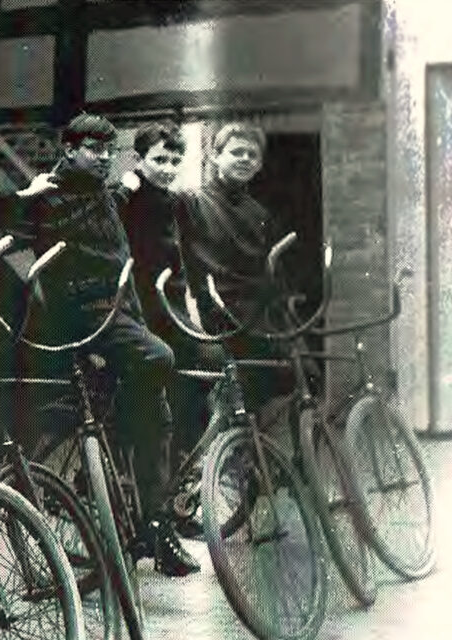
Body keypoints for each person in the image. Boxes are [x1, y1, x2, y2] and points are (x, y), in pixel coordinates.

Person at [15, 112, 200, 576]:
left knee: (158, 410)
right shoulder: (50, 195)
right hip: (85, 314)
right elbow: (18, 229)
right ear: (69, 149)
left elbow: (110, 202)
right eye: (93, 150)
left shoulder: (103, 192)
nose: (103, 159)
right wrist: (23, 199)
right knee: (159, 358)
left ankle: (154, 525)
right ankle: (128, 476)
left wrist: (130, 188)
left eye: (108, 151)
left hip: (120, 311)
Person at [175, 122, 301, 416]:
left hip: (256, 316)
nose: (245, 159)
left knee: (297, 376)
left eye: (252, 155)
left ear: (259, 165)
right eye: (236, 152)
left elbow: (271, 272)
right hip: (217, 315)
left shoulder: (259, 214)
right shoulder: (192, 203)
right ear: (215, 156)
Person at [114, 122, 210, 469]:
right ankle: (132, 464)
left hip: (172, 306)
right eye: (159, 160)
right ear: (138, 159)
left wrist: (193, 304)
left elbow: (185, 257)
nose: (168, 169)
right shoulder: (128, 198)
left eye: (175, 161)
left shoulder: (176, 203)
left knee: (203, 370)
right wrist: (124, 189)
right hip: (140, 306)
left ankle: (183, 461)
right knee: (151, 393)